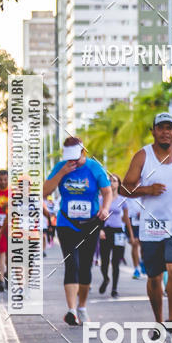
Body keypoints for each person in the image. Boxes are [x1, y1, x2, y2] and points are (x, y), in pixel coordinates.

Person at [121, 112, 172, 327]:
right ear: (153, 131)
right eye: (161, 128)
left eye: (170, 128)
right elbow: (124, 188)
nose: (166, 132)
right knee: (154, 276)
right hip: (152, 225)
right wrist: (147, 189)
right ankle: (158, 321)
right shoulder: (143, 156)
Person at [44, 137, 111, 326]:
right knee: (71, 263)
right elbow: (44, 192)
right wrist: (61, 173)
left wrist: (105, 208)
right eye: (69, 157)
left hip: (90, 223)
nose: (72, 161)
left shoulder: (94, 167)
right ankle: (71, 310)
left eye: (75, 157)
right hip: (67, 223)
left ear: (83, 152)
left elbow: (107, 191)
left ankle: (82, 307)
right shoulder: (61, 167)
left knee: (85, 266)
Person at [99, 174, 134, 297]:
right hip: (106, 231)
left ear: (119, 184)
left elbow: (126, 219)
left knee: (116, 261)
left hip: (118, 231)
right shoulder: (101, 199)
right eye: (110, 181)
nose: (112, 183)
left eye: (114, 181)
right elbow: (98, 217)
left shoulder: (122, 200)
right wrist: (100, 230)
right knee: (104, 260)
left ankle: (114, 288)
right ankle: (105, 278)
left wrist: (131, 235)